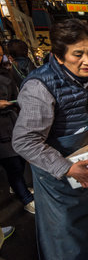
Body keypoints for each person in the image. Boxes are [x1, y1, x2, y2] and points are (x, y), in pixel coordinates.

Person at [12, 19, 88, 260]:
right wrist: (66, 167)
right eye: (78, 54)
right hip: (58, 174)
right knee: (67, 231)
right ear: (59, 56)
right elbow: (24, 140)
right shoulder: (39, 87)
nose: (87, 61)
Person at [0, 43, 34, 214]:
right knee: (11, 162)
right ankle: (26, 198)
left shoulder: (7, 73)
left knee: (19, 160)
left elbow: (16, 95)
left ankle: (18, 185)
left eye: (0, 54)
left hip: (12, 122)